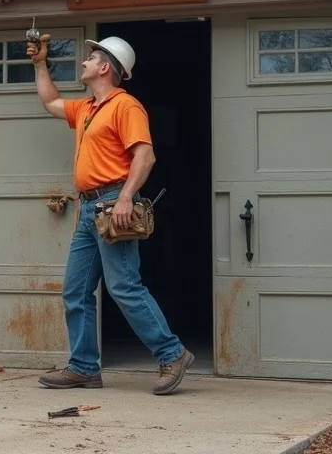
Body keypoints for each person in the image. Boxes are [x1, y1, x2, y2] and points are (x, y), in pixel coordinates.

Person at [27, 31, 193, 395]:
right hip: (89, 208)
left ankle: (172, 353)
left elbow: (145, 155)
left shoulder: (125, 105)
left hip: (113, 202)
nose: (84, 62)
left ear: (105, 67)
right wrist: (40, 63)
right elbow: (50, 101)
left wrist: (126, 199)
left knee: (123, 286)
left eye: (91, 57)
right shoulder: (86, 108)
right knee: (75, 290)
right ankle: (84, 367)